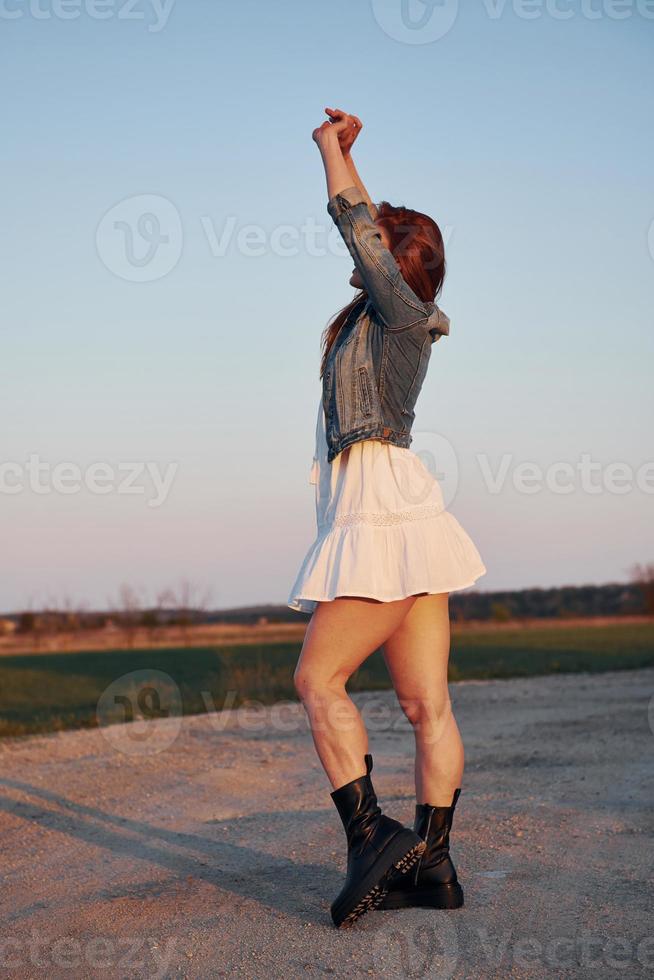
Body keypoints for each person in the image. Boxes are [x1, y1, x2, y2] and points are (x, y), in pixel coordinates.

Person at [287, 107, 487, 928]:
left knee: (316, 679)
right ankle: (431, 864)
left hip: (384, 517)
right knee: (425, 705)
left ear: (400, 261)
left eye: (387, 228)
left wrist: (331, 151)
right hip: (405, 518)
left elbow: (356, 227)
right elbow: (370, 231)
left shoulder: (401, 313)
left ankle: (373, 839)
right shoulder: (385, 316)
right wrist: (348, 158)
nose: (374, 223)